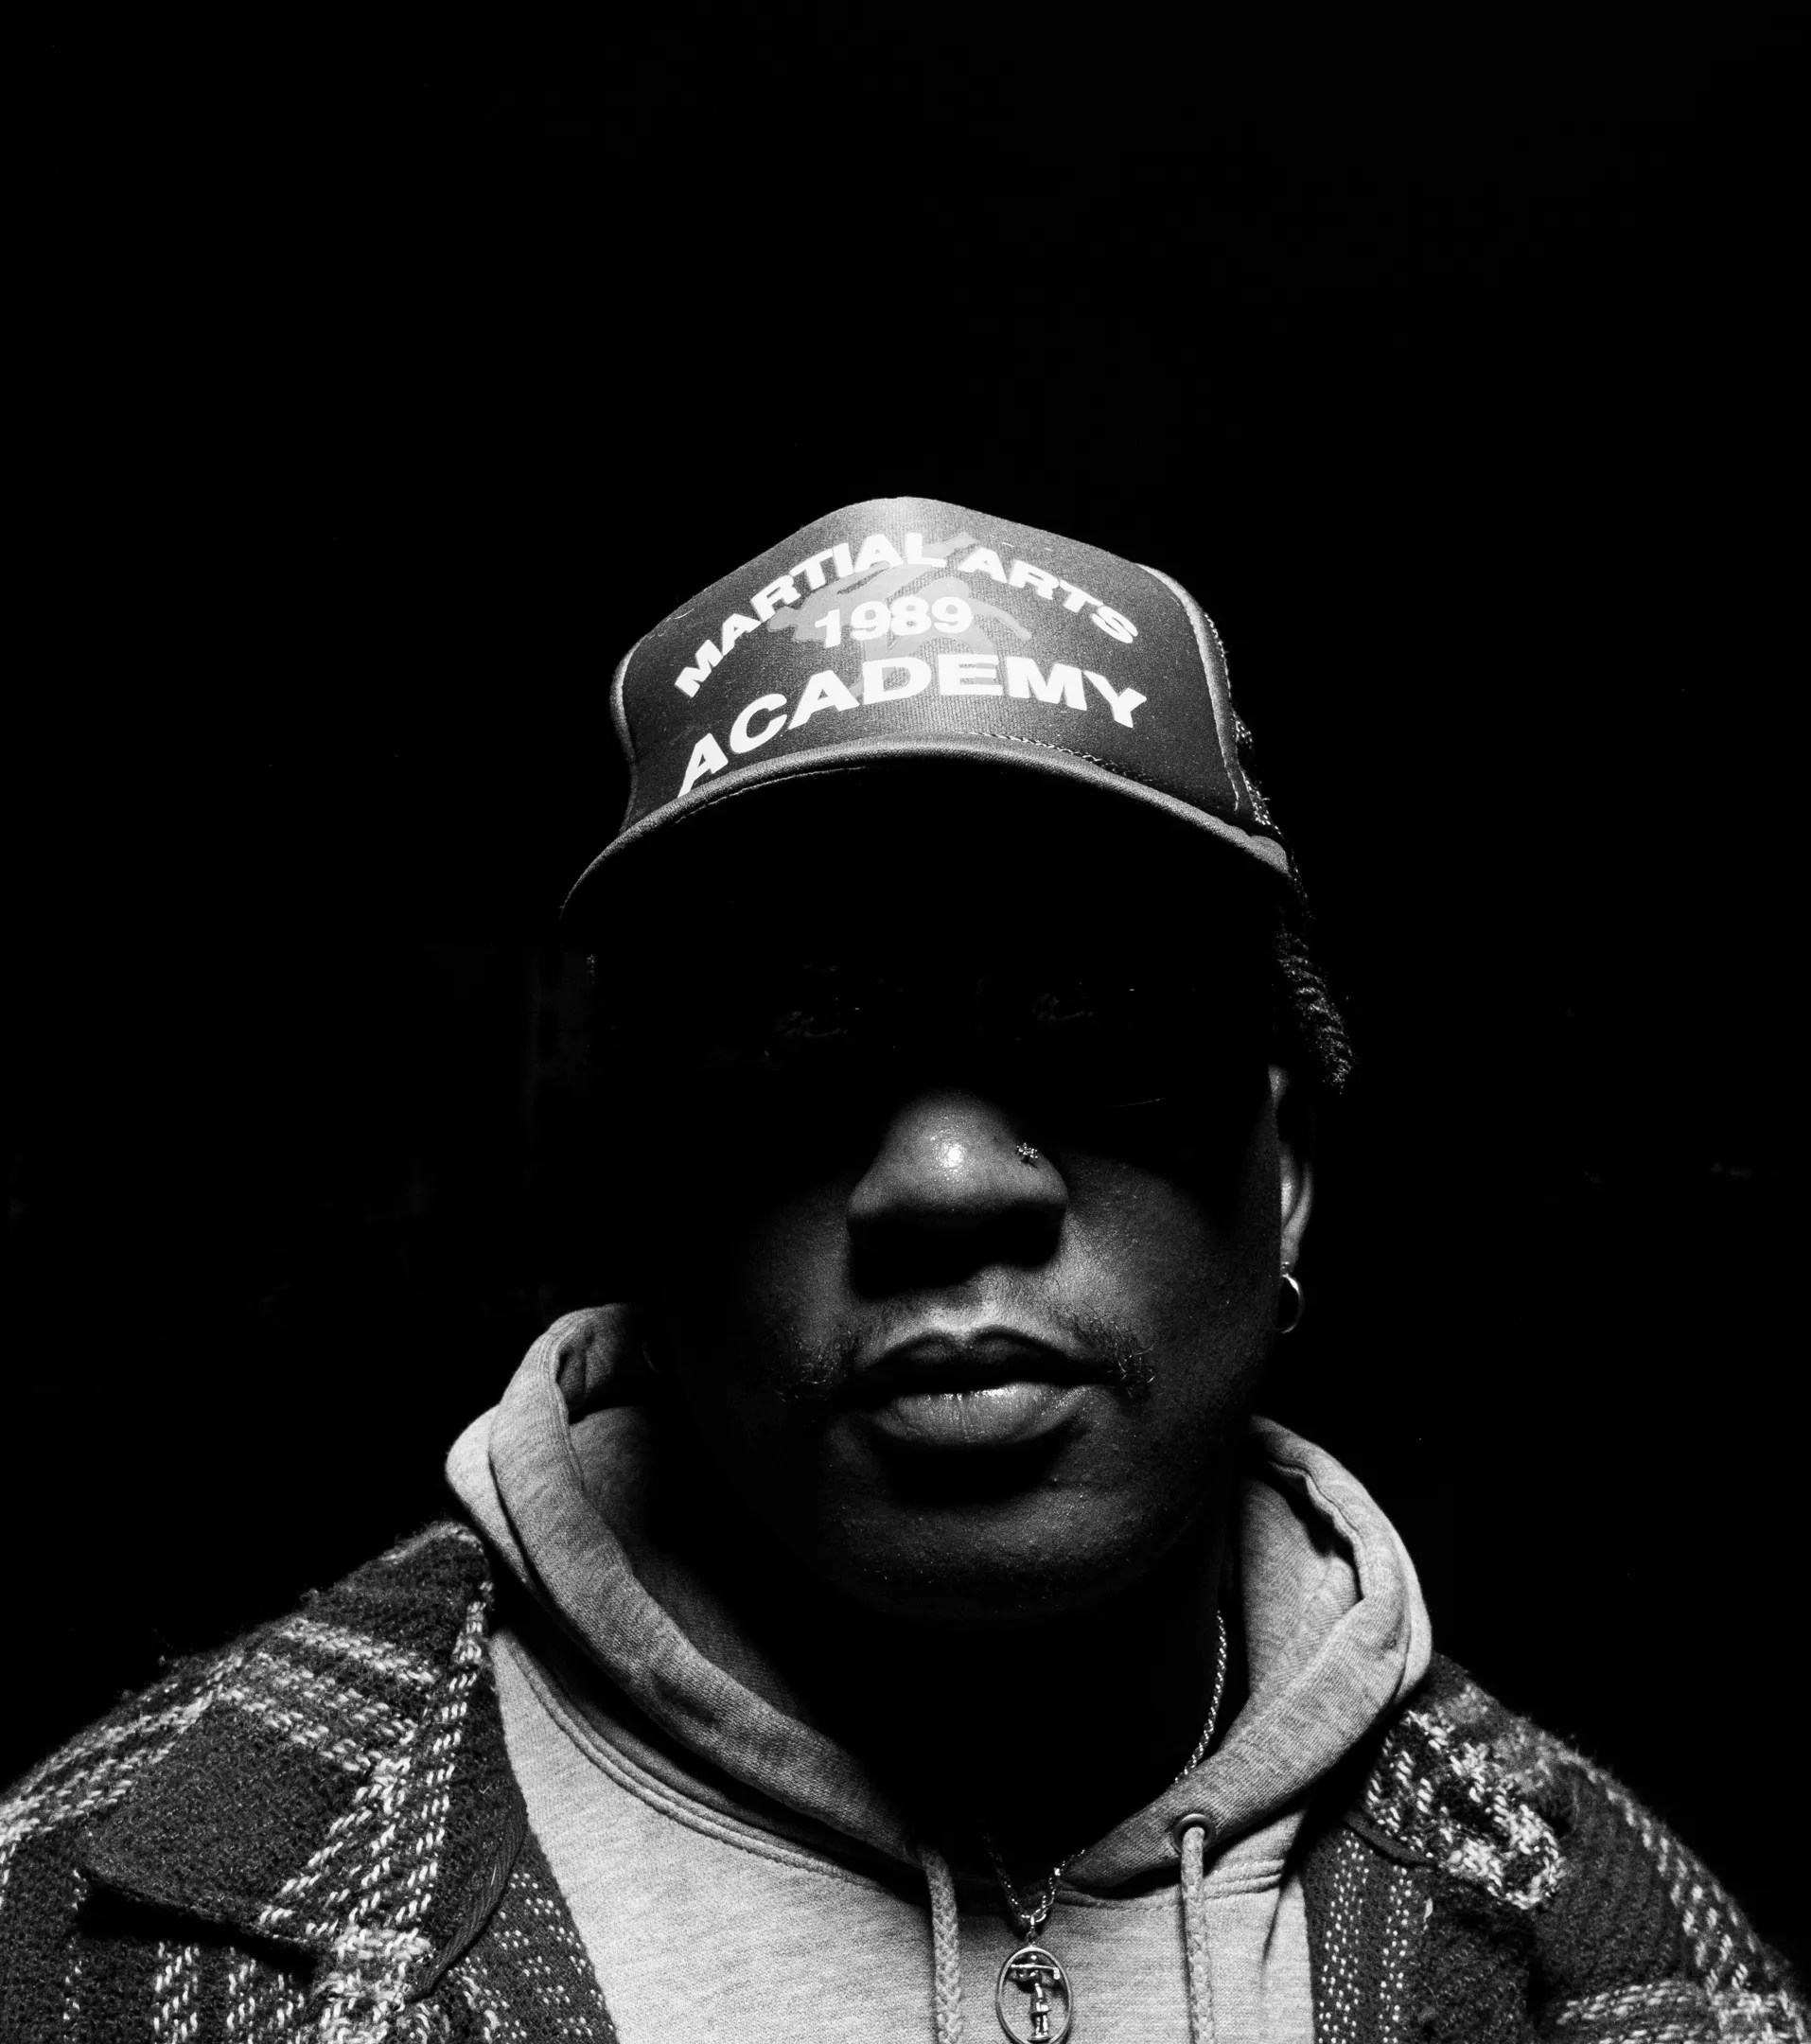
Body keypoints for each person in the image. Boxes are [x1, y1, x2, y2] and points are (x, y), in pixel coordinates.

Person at [0, 498, 1801, 2042]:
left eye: (1100, 1034)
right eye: (796, 1051)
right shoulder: (101, 1921)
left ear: (1289, 1188)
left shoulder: (1617, 1957)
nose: (945, 1182)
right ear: (642, 1204)